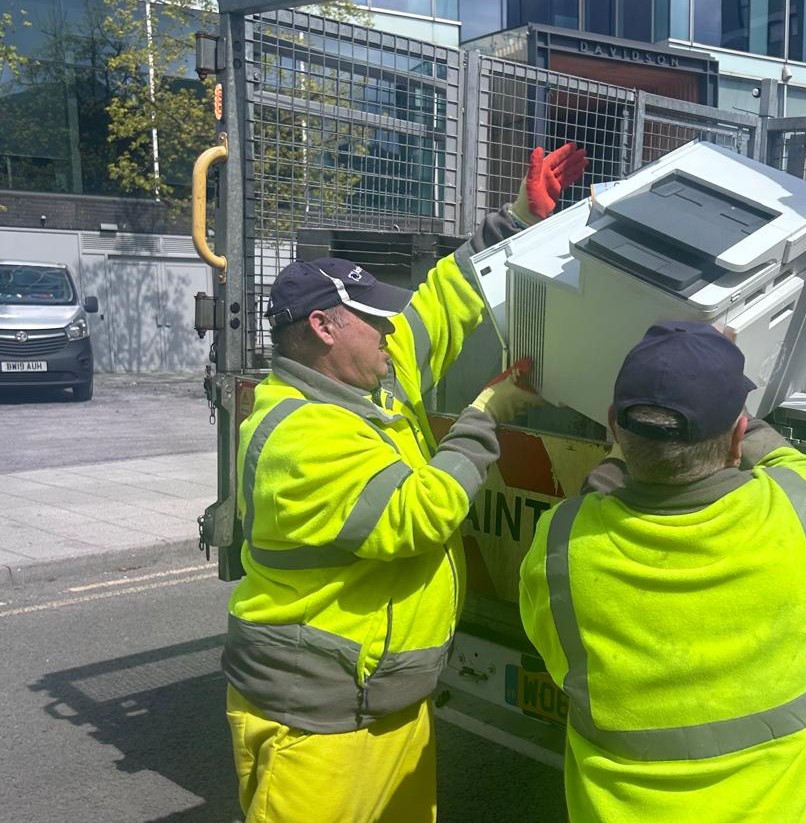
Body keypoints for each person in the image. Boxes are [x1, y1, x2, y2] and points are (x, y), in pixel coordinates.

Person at [222, 143, 588, 823]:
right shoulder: (298, 434)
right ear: (324, 327)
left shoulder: (375, 378)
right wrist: (487, 415)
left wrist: (516, 218)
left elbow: (441, 305)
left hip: (386, 704)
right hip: (318, 725)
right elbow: (418, 514)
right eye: (375, 318)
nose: (395, 329)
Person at [519, 320, 806, 823]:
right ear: (738, 435)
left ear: (613, 425)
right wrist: (716, 386)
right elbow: (787, 460)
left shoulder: (561, 546)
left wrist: (619, 463)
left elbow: (559, 657)